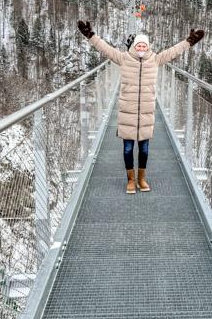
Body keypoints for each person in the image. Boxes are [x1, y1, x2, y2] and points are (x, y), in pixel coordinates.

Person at [77, 20, 205, 193]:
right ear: (134, 46)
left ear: (148, 47)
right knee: (128, 148)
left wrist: (189, 42)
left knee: (144, 150)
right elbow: (105, 49)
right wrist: (91, 36)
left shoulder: (155, 59)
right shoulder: (124, 58)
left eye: (144, 46)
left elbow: (173, 52)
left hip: (146, 112)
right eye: (139, 46)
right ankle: (130, 180)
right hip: (127, 111)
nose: (142, 49)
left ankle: (141, 179)